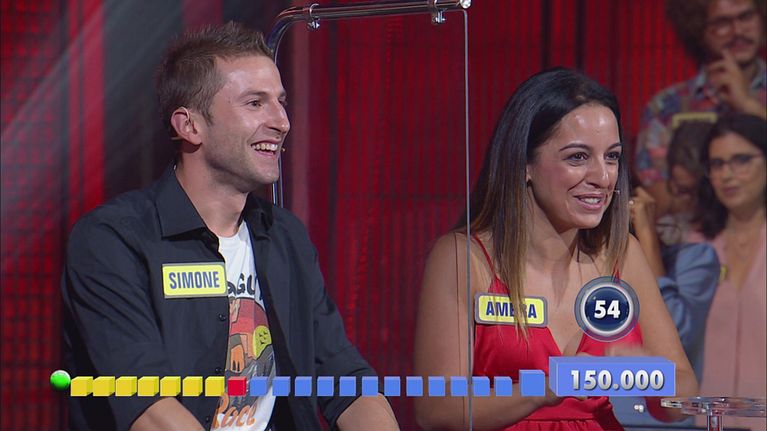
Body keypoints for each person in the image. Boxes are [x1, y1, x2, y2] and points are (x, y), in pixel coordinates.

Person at [61, 23, 399, 431]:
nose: (282, 122)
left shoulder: (285, 236)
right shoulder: (113, 239)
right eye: (255, 103)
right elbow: (147, 406)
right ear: (189, 126)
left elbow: (346, 380)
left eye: (281, 102)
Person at [413, 68, 698, 431]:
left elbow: (682, 398)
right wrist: (551, 385)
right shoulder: (463, 258)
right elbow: (436, 409)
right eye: (578, 157)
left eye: (612, 157)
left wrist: (645, 372)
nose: (603, 177)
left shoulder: (622, 253)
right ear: (524, 164)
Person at [635, 0, 766, 218]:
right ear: (698, 29)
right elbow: (655, 199)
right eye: (723, 22)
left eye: (746, 17)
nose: (738, 31)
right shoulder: (666, 107)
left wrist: (747, 105)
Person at [688, 113, 766, 431]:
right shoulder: (698, 244)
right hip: (709, 421)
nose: (727, 175)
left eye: (741, 160)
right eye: (717, 164)